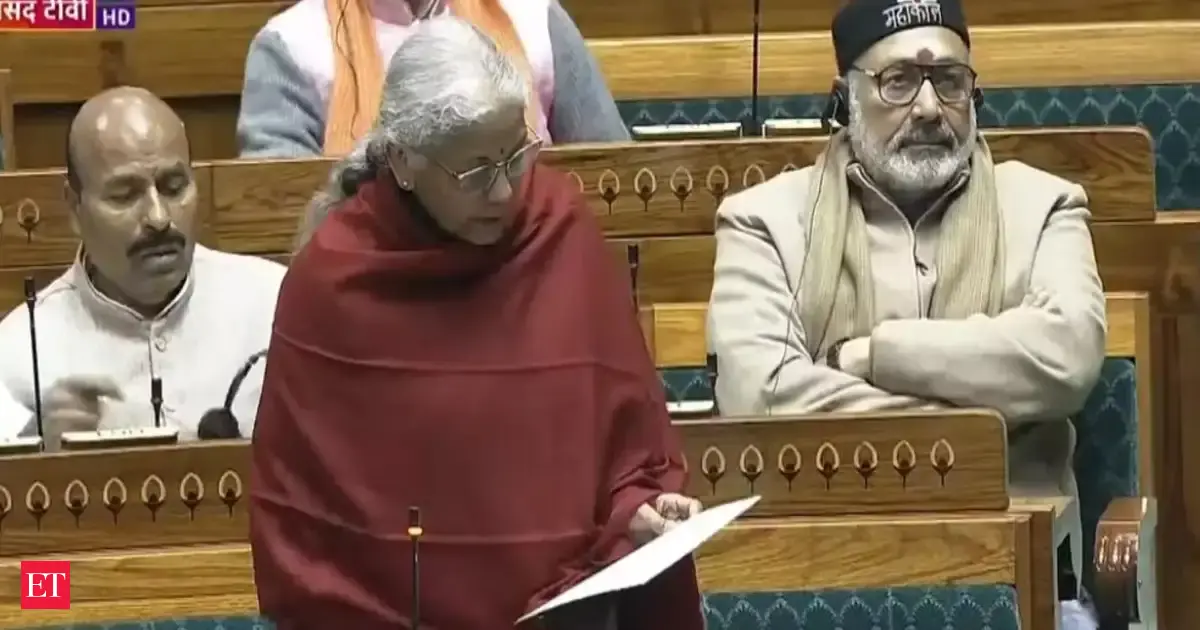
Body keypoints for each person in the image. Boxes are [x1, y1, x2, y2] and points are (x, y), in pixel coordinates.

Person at [249, 16, 704, 630]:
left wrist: (639, 509)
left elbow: (627, 445)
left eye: (515, 158)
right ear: (403, 161)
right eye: (474, 173)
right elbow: (306, 530)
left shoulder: (560, 230)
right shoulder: (333, 281)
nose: (503, 193)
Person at [706, 0, 1106, 626]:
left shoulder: (1045, 207)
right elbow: (761, 398)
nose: (927, 107)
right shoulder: (763, 223)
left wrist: (872, 355)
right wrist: (987, 426)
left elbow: (1069, 355)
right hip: (816, 575)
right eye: (897, 81)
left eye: (949, 81)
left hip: (1019, 577)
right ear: (845, 98)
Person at [0, 87, 286, 448]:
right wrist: (38, 454)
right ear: (74, 208)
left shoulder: (275, 306)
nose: (159, 217)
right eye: (125, 195)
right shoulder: (16, 356)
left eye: (174, 187)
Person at [237, 0, 628, 159]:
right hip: (375, 289)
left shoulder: (533, 17)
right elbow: (280, 217)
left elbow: (614, 170)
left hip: (527, 274)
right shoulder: (292, 45)